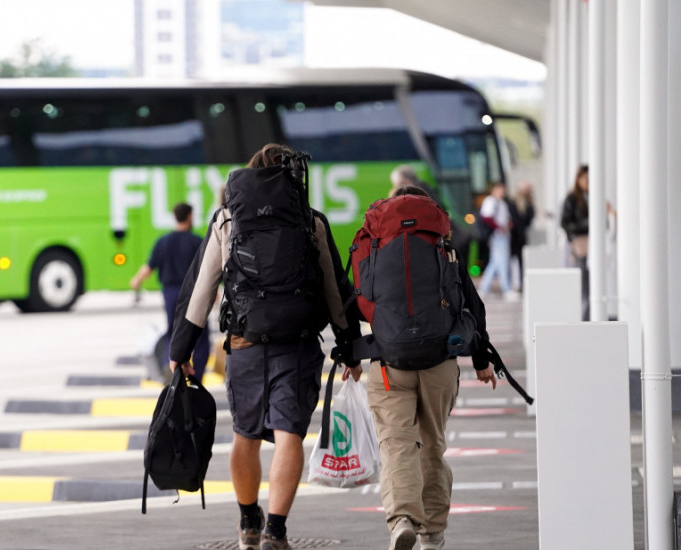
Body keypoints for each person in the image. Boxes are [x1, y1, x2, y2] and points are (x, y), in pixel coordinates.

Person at [167, 143, 360, 550]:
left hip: (246, 342)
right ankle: (276, 528)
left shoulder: (227, 219)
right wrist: (350, 344)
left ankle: (248, 520)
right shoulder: (311, 221)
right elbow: (333, 287)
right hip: (298, 342)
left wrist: (180, 349)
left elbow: (201, 289)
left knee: (245, 434)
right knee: (289, 436)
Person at [364, 185, 497, 550]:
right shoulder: (444, 250)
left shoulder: (376, 247)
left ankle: (403, 518)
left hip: (390, 363)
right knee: (433, 446)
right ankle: (433, 534)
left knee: (396, 444)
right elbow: (473, 307)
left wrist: (350, 355)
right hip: (439, 362)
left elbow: (357, 300)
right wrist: (483, 361)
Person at [130, 202, 210, 382]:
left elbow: (149, 267)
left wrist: (137, 280)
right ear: (189, 216)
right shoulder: (196, 241)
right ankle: (197, 375)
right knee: (201, 335)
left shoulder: (163, 242)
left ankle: (170, 366)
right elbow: (207, 269)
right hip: (193, 294)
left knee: (173, 332)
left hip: (171, 293)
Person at [391, 164, 471, 262]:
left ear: (404, 181)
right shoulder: (424, 187)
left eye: (397, 184)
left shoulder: (415, 193)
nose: (396, 187)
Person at [560, 165, 590, 321]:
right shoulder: (572, 198)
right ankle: (580, 319)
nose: (588, 182)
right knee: (581, 284)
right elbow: (565, 223)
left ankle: (587, 317)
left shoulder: (593, 197)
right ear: (578, 179)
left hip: (591, 247)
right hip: (579, 247)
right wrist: (587, 224)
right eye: (585, 178)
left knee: (590, 285)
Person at [477, 182, 516, 300]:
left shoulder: (502, 203)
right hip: (497, 236)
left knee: (495, 263)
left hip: (503, 236)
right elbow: (486, 217)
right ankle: (506, 289)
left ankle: (484, 288)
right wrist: (499, 227)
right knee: (502, 262)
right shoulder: (490, 201)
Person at [508, 181, 535, 291]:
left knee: (520, 261)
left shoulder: (528, 202)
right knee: (513, 261)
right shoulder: (514, 202)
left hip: (520, 235)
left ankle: (519, 283)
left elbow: (529, 218)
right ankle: (515, 284)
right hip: (515, 236)